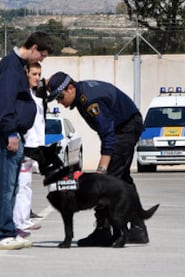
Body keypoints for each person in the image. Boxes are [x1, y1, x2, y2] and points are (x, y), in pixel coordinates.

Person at [47, 72, 148, 247]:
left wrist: (102, 169)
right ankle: (137, 227)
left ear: (70, 88)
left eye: (60, 97)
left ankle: (103, 230)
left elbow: (108, 134)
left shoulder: (90, 101)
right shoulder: (81, 93)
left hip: (125, 129)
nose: (60, 102)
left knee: (108, 181)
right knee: (122, 178)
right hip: (126, 125)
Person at [0, 32, 53, 250]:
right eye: (41, 56)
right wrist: (10, 133)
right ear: (33, 47)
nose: (40, 61)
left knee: (13, 187)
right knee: (6, 188)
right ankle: (0, 234)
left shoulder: (17, 66)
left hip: (17, 134)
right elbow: (4, 102)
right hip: (9, 136)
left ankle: (9, 231)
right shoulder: (10, 67)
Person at [13, 62, 45, 237]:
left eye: (39, 74)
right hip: (26, 145)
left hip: (35, 145)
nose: (37, 78)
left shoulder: (35, 94)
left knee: (27, 184)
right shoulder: (23, 95)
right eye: (34, 74)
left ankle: (24, 219)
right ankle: (19, 222)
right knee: (21, 184)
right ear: (26, 74)